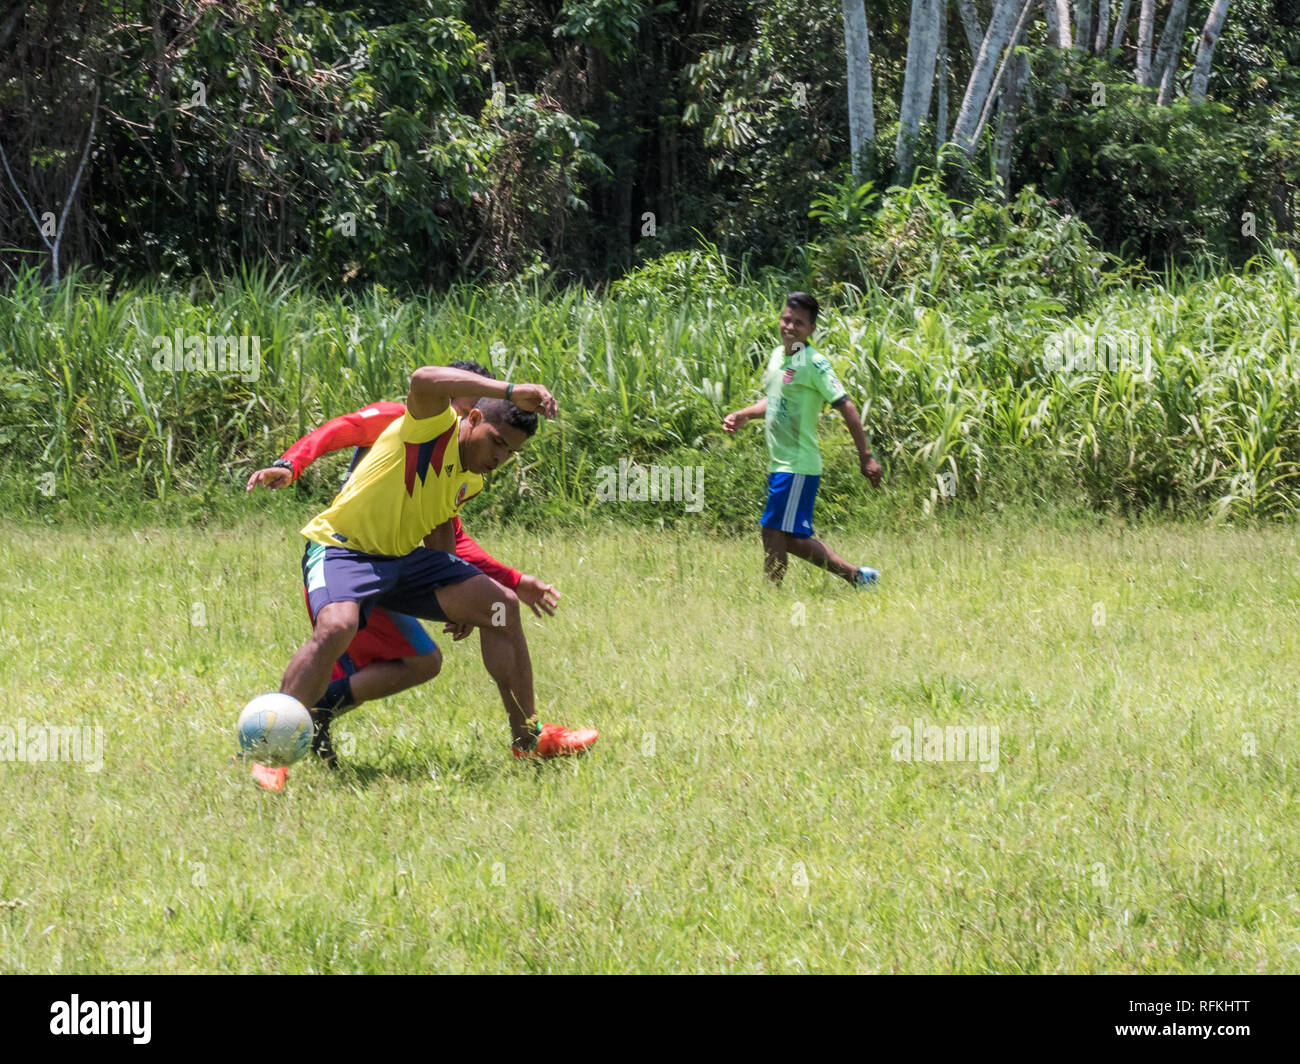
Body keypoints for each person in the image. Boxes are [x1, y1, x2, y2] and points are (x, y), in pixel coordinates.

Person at [255, 364, 596, 790]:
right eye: (496, 442)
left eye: (510, 452)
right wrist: (510, 390)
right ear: (472, 419)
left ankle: (529, 738)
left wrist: (456, 590)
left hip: (400, 559)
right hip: (343, 548)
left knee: (500, 607)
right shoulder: (430, 429)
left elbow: (438, 527)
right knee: (337, 626)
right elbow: (423, 379)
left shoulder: (471, 478)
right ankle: (271, 750)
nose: (499, 458)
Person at [722, 292, 883, 587]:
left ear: (811, 329)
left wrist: (866, 456)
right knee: (791, 539)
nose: (790, 327)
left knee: (771, 530)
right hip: (780, 464)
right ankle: (859, 578)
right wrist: (745, 414)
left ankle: (771, 595)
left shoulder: (814, 363)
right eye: (786, 319)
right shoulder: (777, 357)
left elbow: (846, 405)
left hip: (797, 465)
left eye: (799, 323)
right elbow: (775, 400)